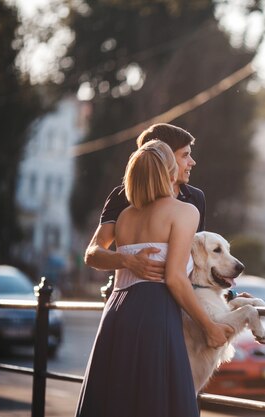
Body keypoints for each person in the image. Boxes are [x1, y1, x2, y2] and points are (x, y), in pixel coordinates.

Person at [75, 140, 232, 417]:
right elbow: (174, 278)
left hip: (116, 311)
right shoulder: (185, 212)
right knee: (157, 398)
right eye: (184, 158)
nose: (190, 164)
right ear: (169, 172)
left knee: (117, 398)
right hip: (156, 313)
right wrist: (209, 327)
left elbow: (98, 255)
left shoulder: (124, 216)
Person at [84, 123, 205, 281]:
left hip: (180, 298)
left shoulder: (196, 197)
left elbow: (199, 260)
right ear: (164, 155)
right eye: (185, 155)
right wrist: (127, 260)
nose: (192, 162)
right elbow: (93, 254)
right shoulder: (122, 196)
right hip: (132, 292)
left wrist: (227, 295)